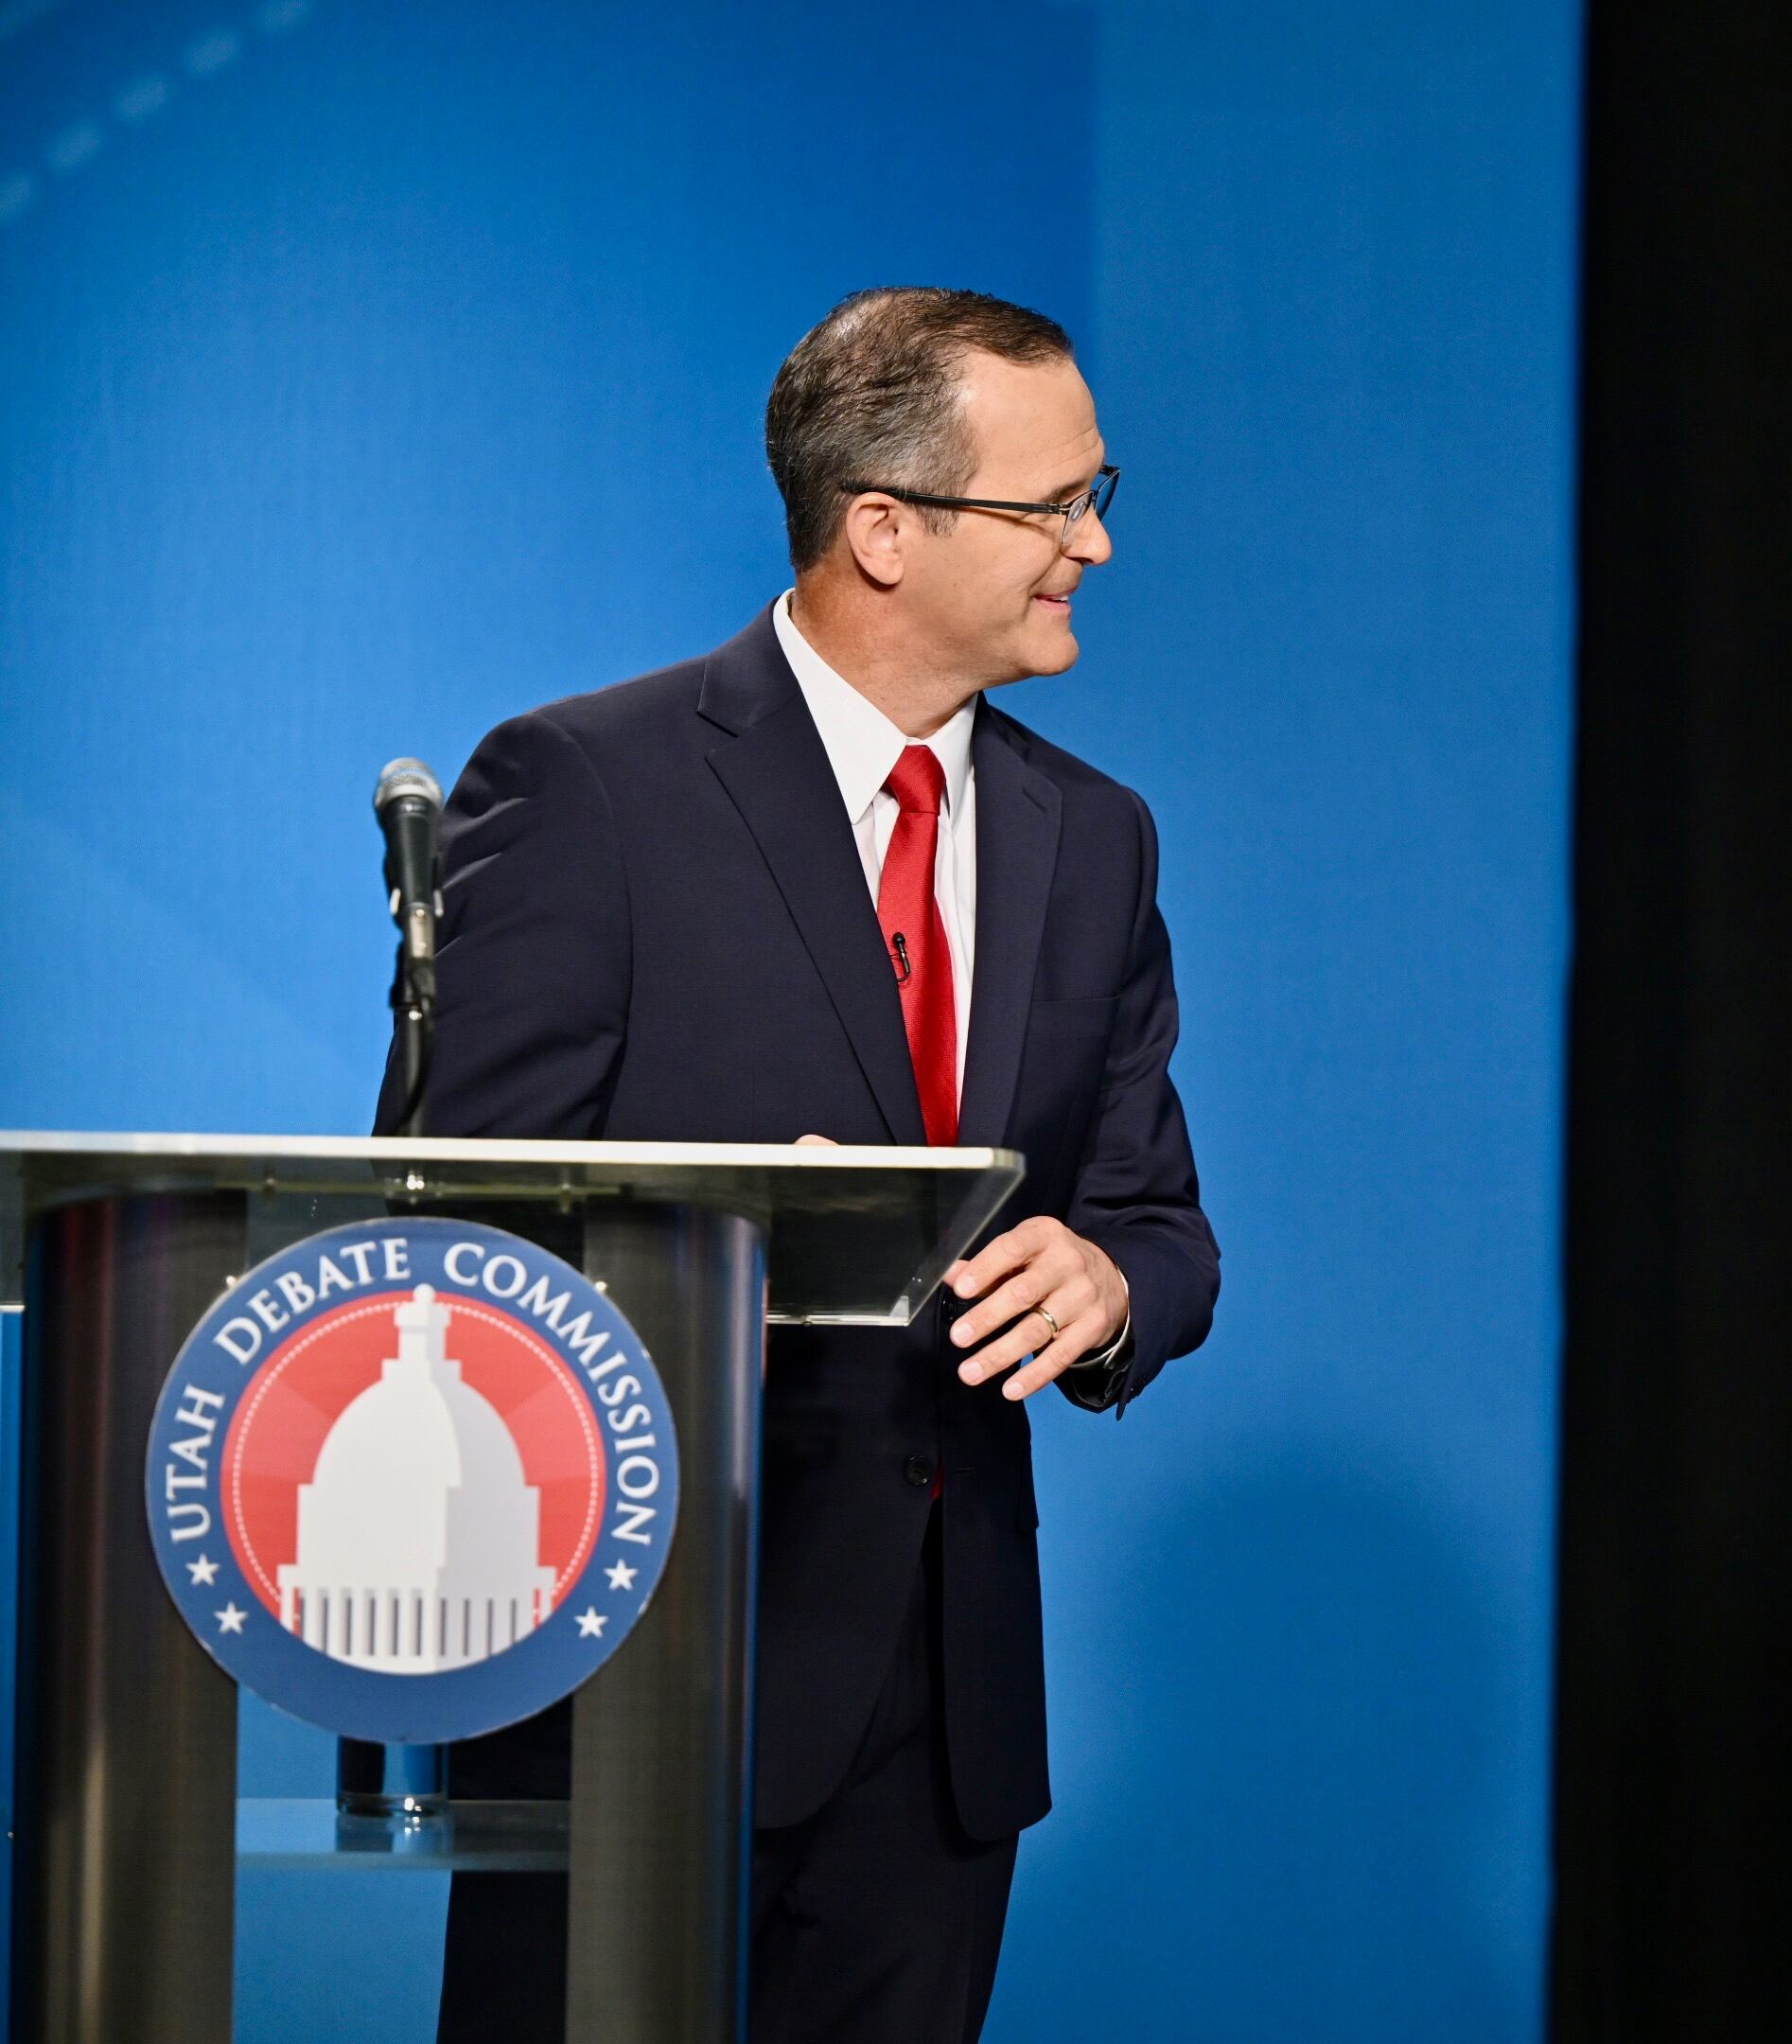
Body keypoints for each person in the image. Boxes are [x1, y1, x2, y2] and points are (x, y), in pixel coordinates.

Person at [399, 287, 1219, 2044]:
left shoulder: (1097, 838)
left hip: (942, 1728)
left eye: (1099, 493)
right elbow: (449, 1225)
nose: (1093, 543)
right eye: (1053, 505)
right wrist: (718, 1245)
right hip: (637, 1689)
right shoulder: (587, 787)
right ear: (883, 531)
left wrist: (1110, 1284)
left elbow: (1159, 1220)